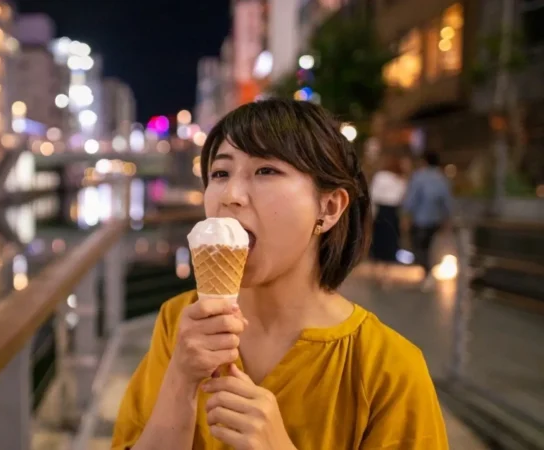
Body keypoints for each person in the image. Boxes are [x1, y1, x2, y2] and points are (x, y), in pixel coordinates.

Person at [111, 100, 448, 450]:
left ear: (329, 207)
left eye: (266, 171)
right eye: (221, 174)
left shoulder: (390, 369)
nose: (230, 195)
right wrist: (180, 381)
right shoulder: (179, 322)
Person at [402, 151, 454, 292]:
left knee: (420, 247)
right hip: (435, 219)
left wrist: (406, 215)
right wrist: (447, 218)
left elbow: (411, 198)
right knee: (430, 246)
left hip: (420, 219)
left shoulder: (419, 177)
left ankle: (426, 272)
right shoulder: (442, 178)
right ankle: (428, 272)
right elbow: (447, 201)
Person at [369, 155, 408, 287]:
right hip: (392, 213)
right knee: (390, 242)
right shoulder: (400, 180)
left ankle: (378, 272)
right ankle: (385, 274)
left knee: (379, 241)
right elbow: (402, 199)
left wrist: (372, 215)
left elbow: (373, 196)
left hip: (382, 212)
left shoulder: (381, 176)